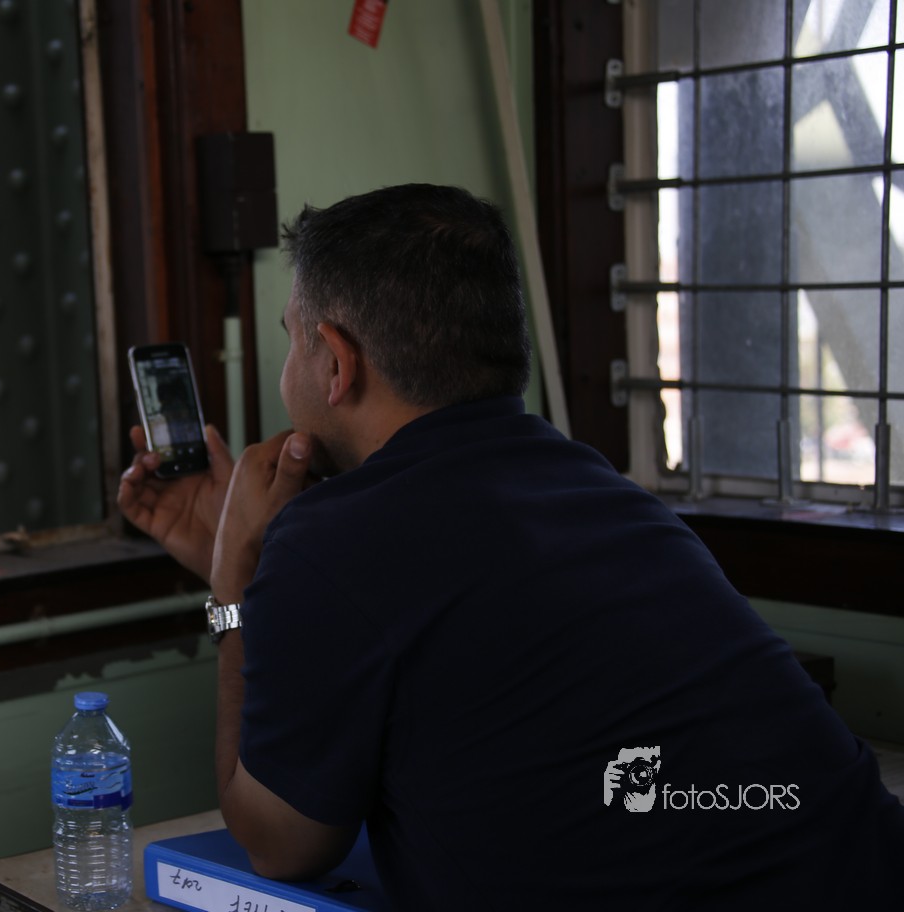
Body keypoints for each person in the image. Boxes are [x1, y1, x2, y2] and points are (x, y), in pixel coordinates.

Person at [117, 184, 904, 908]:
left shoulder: (332, 539)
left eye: (292, 340)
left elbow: (278, 843)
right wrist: (271, 583)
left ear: (336, 361)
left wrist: (234, 586)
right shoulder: (597, 486)